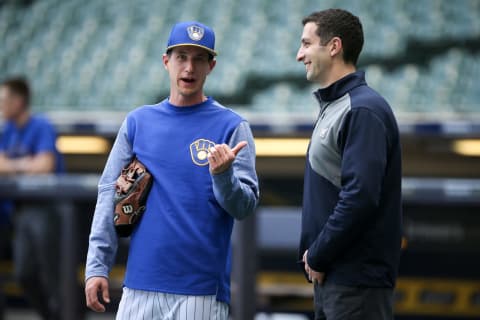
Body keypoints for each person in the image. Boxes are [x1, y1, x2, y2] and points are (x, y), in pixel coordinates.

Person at [85, 21, 259, 319]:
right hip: (140, 284)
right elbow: (108, 192)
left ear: (211, 66)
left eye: (199, 59)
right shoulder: (138, 122)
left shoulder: (233, 127)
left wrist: (223, 176)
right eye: (181, 57)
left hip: (200, 289)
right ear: (167, 62)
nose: (189, 67)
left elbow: (244, 207)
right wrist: (97, 265)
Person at [296, 9, 402, 320]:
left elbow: (360, 197)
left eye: (306, 44)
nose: (299, 54)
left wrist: (317, 253)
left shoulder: (364, 109)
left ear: (334, 46)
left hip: (357, 284)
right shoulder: (337, 106)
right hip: (335, 279)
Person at [0, 77, 64, 320]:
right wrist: (26, 164)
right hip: (21, 210)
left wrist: (12, 166)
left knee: (52, 275)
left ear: (19, 101)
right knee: (24, 274)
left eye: (5, 100)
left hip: (47, 208)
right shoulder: (8, 130)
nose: (1, 105)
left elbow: (45, 165)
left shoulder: (40, 125)